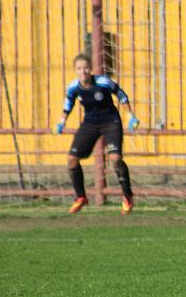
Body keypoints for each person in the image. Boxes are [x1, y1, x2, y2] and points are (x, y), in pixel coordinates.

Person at [54, 53, 139, 215]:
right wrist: (61, 122)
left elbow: (121, 94)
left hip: (110, 121)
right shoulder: (73, 87)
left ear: (90, 69)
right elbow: (68, 103)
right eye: (79, 68)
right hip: (90, 123)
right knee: (72, 159)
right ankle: (81, 197)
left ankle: (127, 196)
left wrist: (131, 116)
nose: (83, 71)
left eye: (86, 68)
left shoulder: (102, 82)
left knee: (115, 158)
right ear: (75, 71)